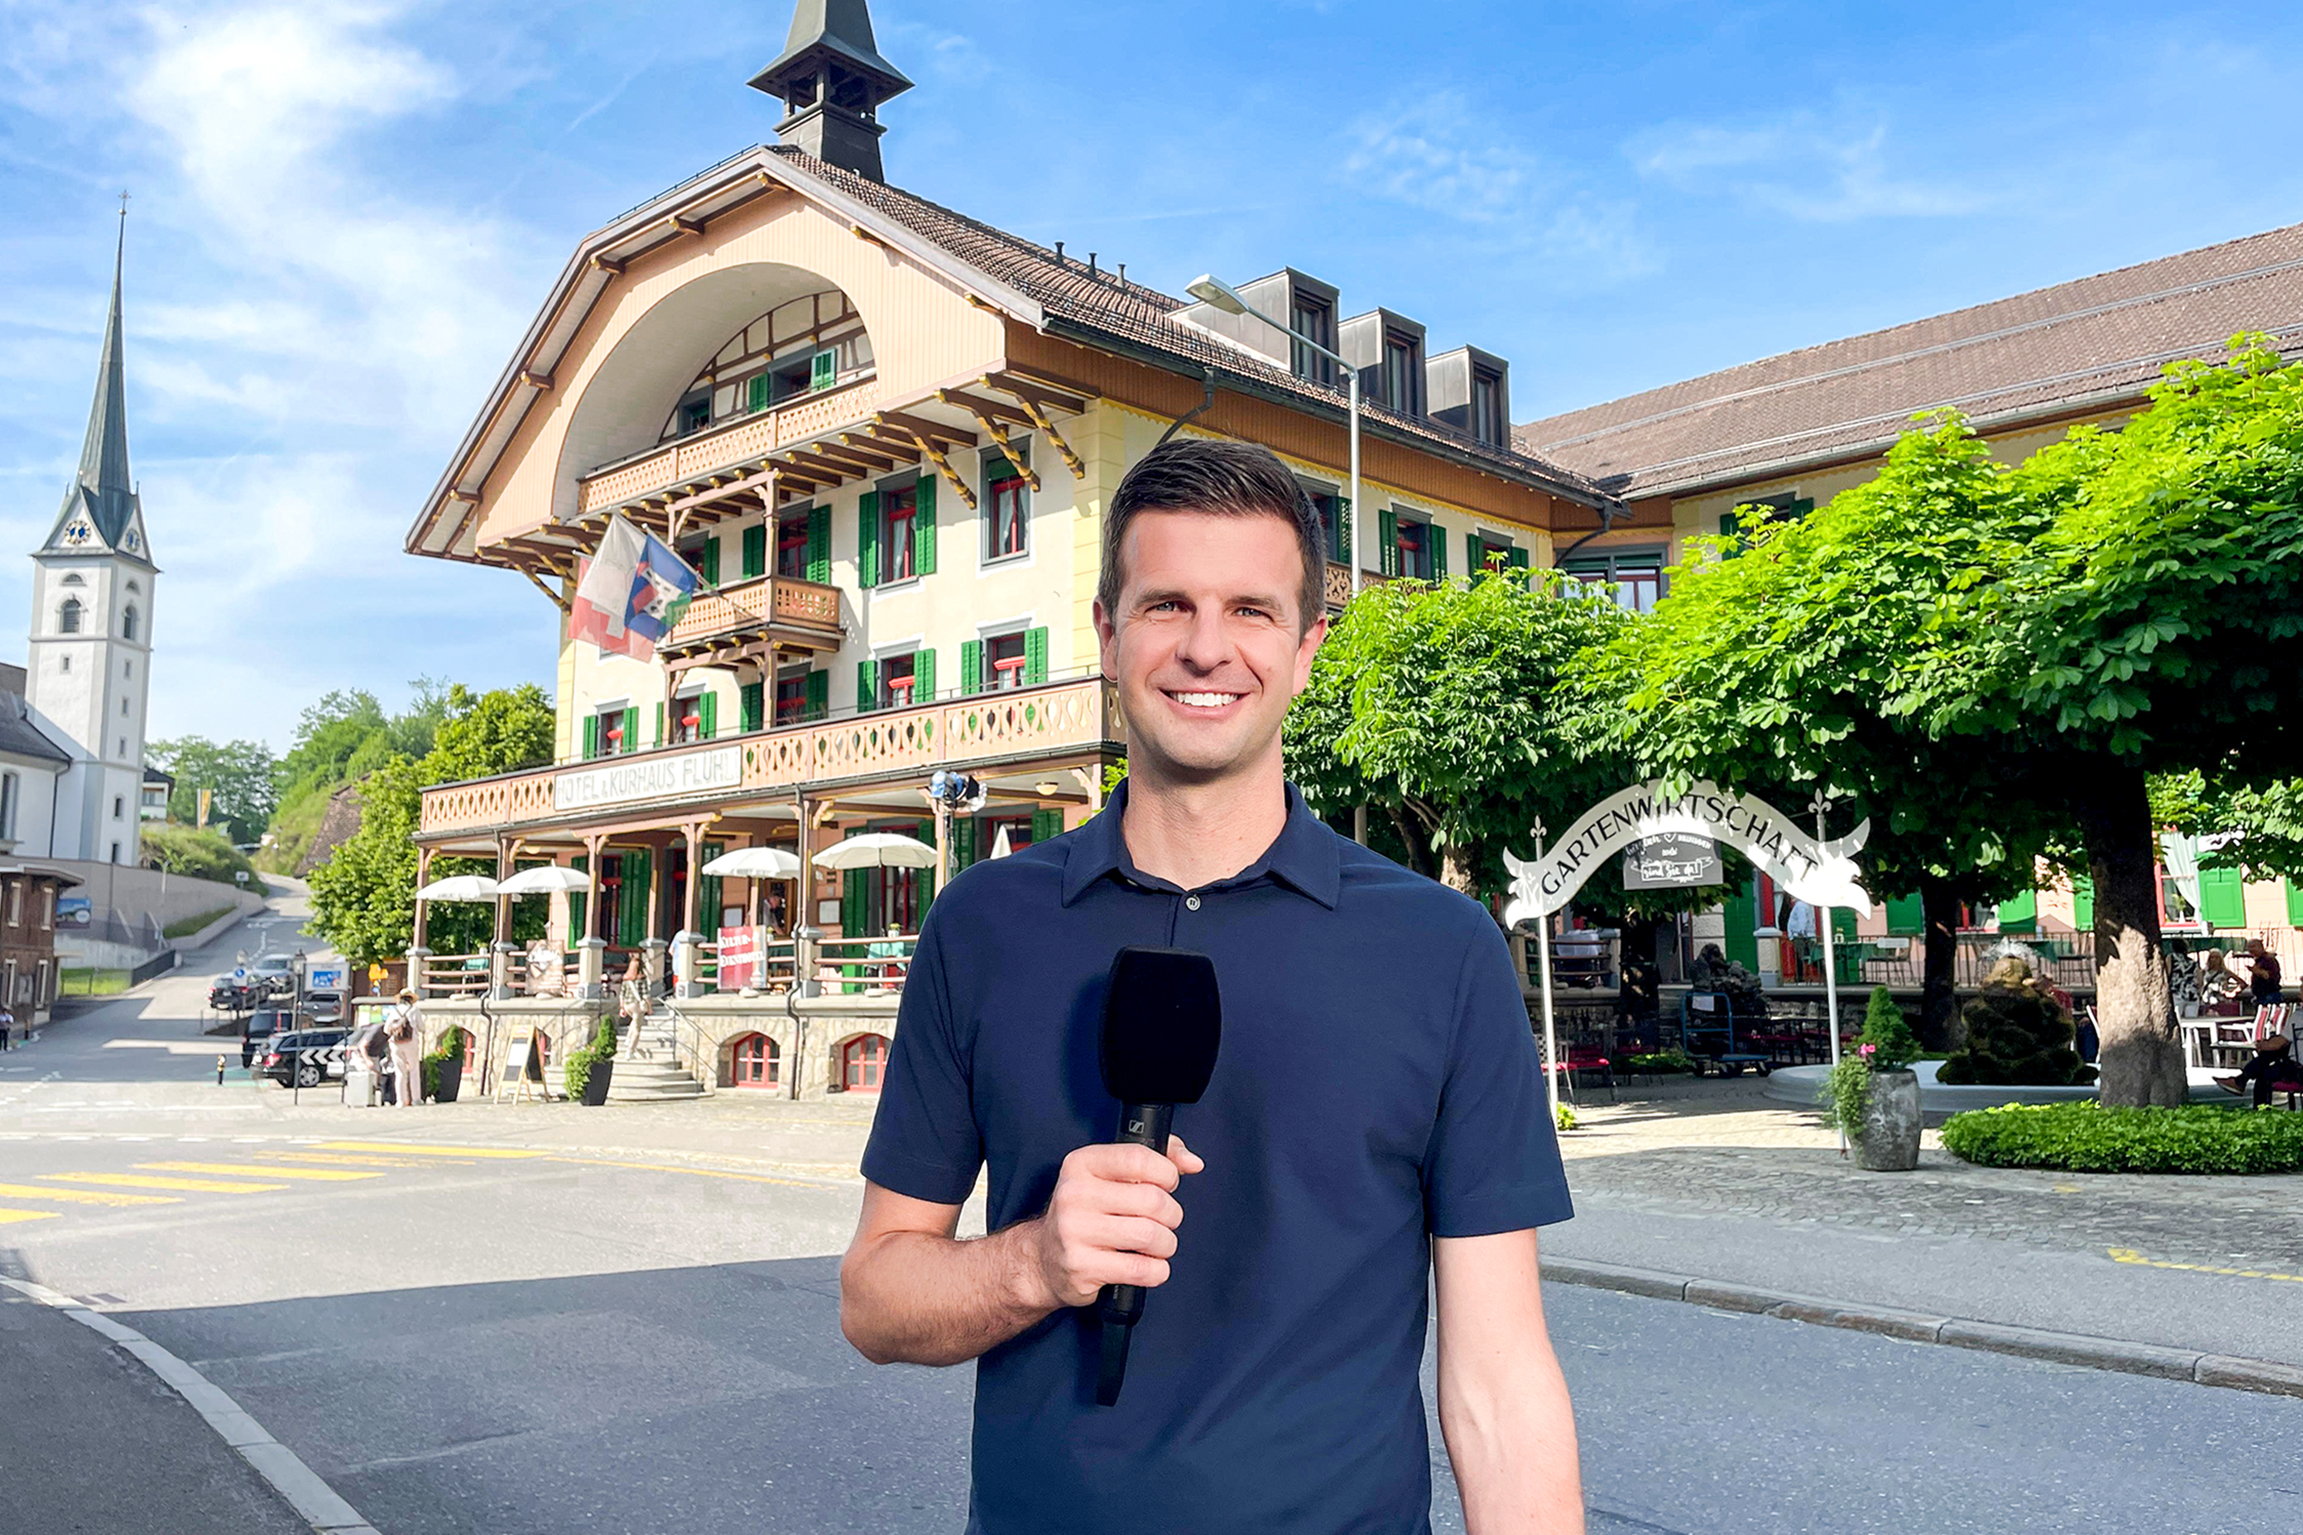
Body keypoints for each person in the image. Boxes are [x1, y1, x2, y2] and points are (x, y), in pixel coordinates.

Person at [840, 439, 1582, 1534]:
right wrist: (1036, 1261)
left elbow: (1499, 1380)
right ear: (1107, 633)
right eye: (1166, 605)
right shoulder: (981, 925)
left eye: (1249, 609)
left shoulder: (1440, 947)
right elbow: (874, 1298)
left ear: (1305, 647)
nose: (1204, 647)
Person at [2216, 1034, 2303, 1108]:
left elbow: (2276, 1044)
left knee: (2264, 1073)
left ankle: (2241, 1082)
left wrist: (2262, 1044)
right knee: (2270, 1056)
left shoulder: (2298, 1019)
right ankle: (2241, 1081)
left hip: (2298, 1071)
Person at [386, 989, 423, 1109]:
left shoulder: (394, 1011)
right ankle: (416, 1099)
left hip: (395, 1043)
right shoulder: (414, 1010)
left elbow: (386, 1029)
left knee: (399, 1072)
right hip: (411, 1042)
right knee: (414, 1070)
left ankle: (400, 1100)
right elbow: (422, 1027)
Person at [2245, 938, 2284, 1010]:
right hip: (2261, 996)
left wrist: (2258, 972)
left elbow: (2270, 976)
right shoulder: (2259, 960)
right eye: (2248, 947)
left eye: (2253, 946)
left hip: (2269, 996)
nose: (2250, 949)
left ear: (2261, 947)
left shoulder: (2268, 960)